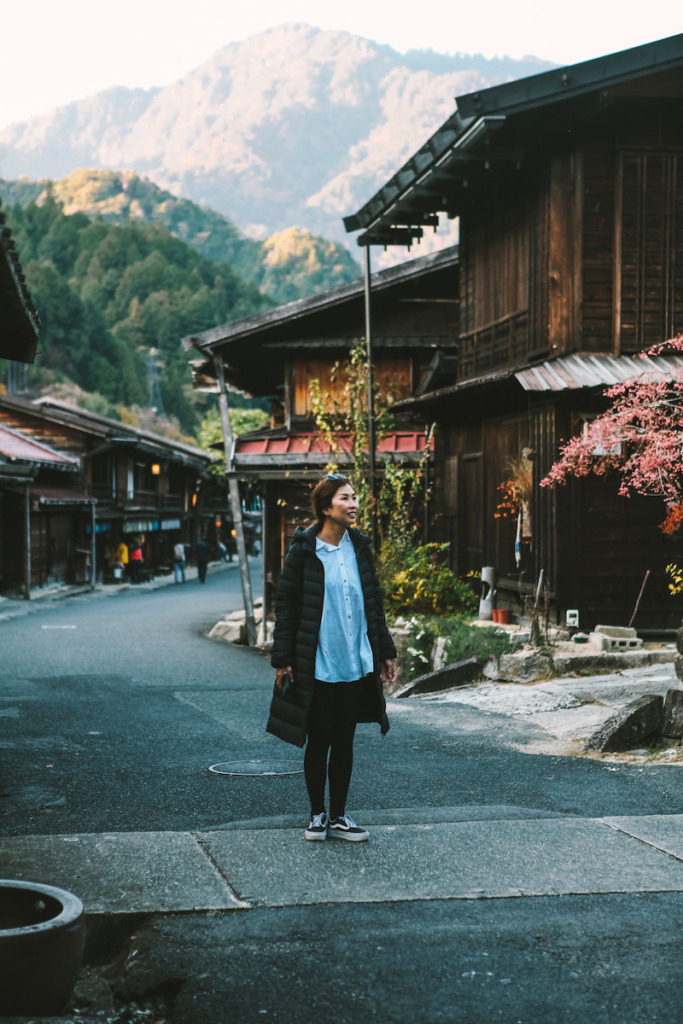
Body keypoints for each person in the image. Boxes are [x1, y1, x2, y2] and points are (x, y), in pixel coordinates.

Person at [267, 473, 397, 843]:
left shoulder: (360, 548)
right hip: (318, 661)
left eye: (355, 497)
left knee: (345, 739)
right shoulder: (304, 551)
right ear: (325, 507)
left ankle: (339, 816)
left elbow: (373, 604)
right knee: (319, 738)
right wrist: (283, 658)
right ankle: (317, 815)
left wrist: (384, 651)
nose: (353, 504)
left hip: (355, 661)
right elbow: (287, 606)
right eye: (345, 498)